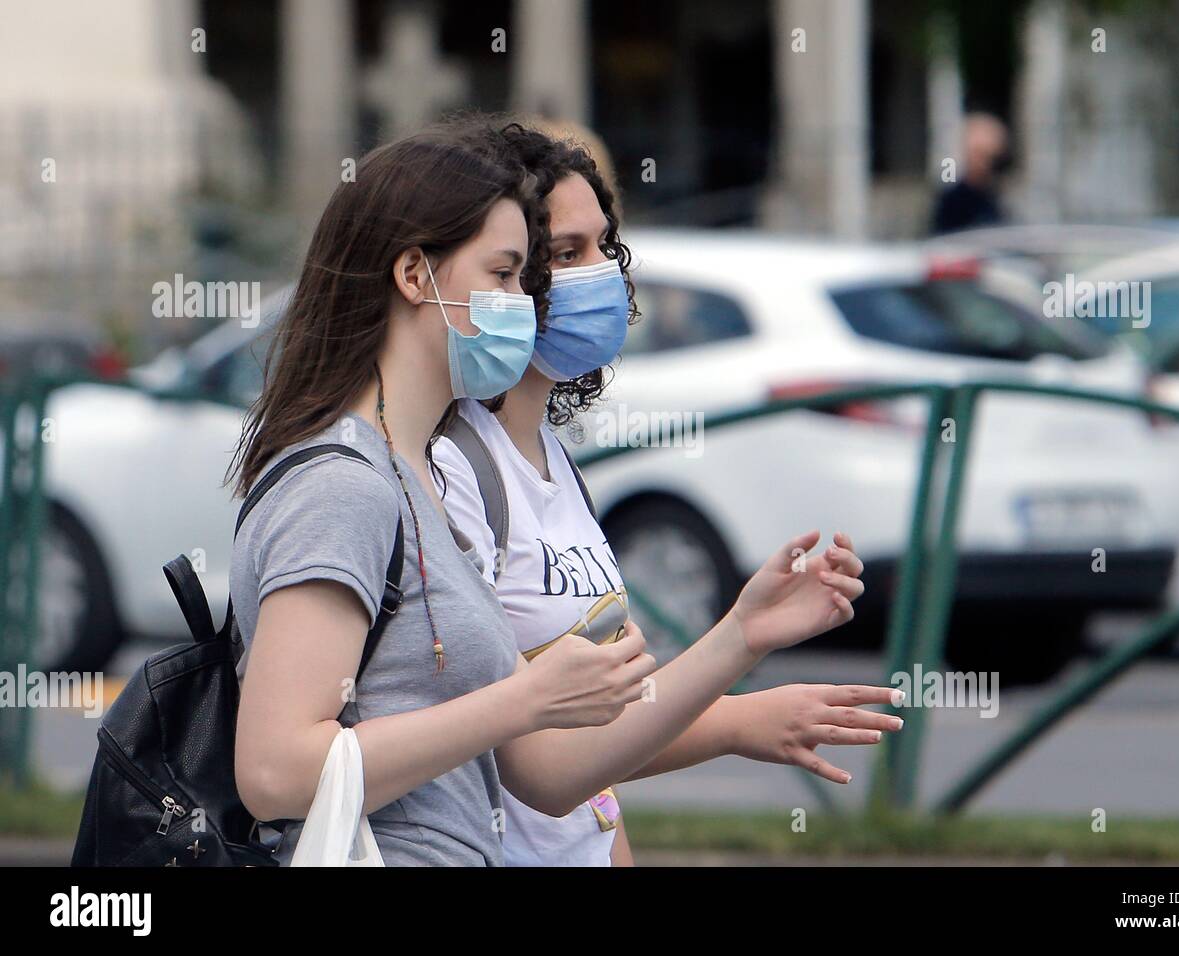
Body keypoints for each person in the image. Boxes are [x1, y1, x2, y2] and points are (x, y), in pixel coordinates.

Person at [226, 124, 895, 866]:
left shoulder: (406, 469)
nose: (529, 300)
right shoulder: (344, 484)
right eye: (511, 273)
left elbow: (546, 771)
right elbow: (273, 772)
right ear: (415, 277)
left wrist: (743, 634)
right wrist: (523, 701)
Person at [431, 120, 905, 866]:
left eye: (604, 248)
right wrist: (739, 642)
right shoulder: (455, 469)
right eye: (565, 254)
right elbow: (538, 770)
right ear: (507, 272)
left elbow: (593, 759)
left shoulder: (550, 455)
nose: (602, 275)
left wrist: (742, 719)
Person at [929, 112, 1010, 235]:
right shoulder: (952, 200)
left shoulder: (993, 196)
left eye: (990, 157)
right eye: (979, 154)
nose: (984, 163)